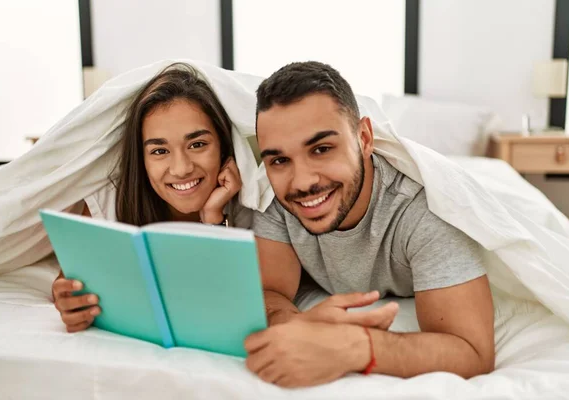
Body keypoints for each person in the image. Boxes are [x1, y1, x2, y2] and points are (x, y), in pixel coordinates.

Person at [245, 61, 495, 387]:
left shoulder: (426, 210)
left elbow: (473, 352)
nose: (302, 181)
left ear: (364, 138)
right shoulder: (276, 196)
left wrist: (355, 346)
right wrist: (294, 326)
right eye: (279, 159)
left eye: (321, 149)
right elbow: (272, 291)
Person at [51, 63, 248, 332]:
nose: (181, 169)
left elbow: (228, 300)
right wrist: (69, 301)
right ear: (141, 159)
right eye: (159, 151)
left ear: (224, 146)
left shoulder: (249, 204)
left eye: (197, 144)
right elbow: (67, 285)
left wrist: (213, 217)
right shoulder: (109, 203)